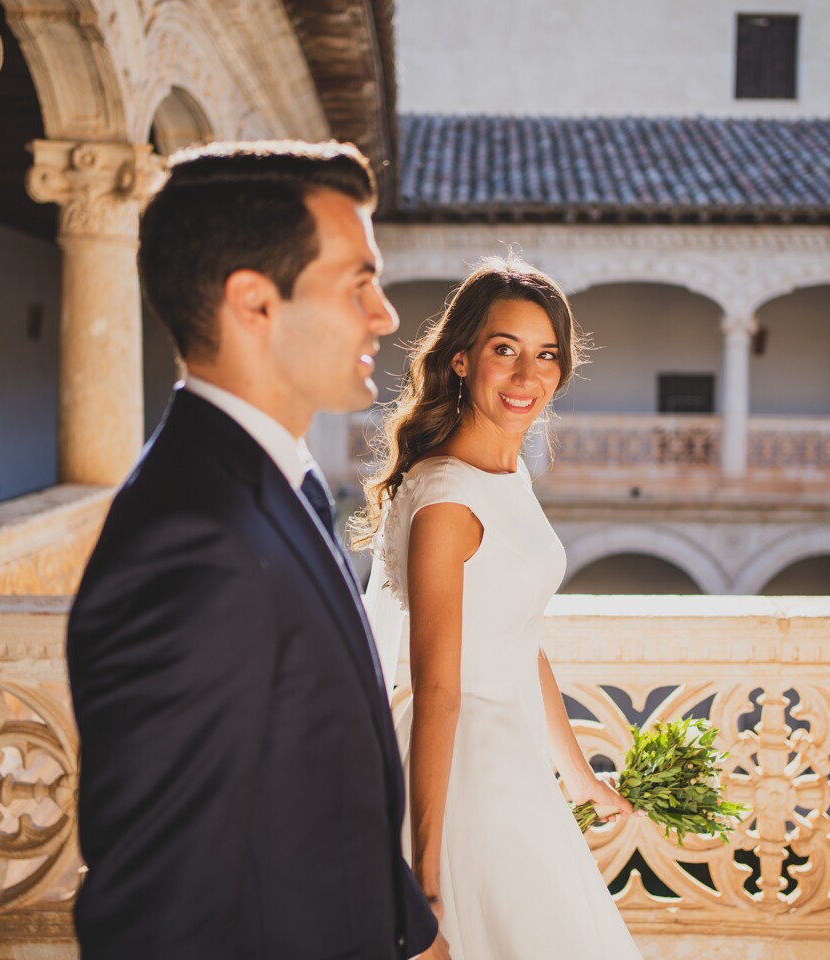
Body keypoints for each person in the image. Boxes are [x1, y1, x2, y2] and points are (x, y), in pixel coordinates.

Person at [66, 141, 446, 960]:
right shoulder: (194, 543)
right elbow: (156, 910)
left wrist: (411, 934)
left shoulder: (265, 485)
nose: (383, 313)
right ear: (254, 304)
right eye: (358, 283)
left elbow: (316, 781)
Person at [353, 258, 644, 958]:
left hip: (513, 763)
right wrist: (424, 888)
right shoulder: (449, 499)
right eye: (503, 351)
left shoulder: (506, 471)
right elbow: (440, 689)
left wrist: (578, 775)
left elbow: (514, 634)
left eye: (546, 355)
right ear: (460, 360)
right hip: (467, 775)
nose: (527, 377)